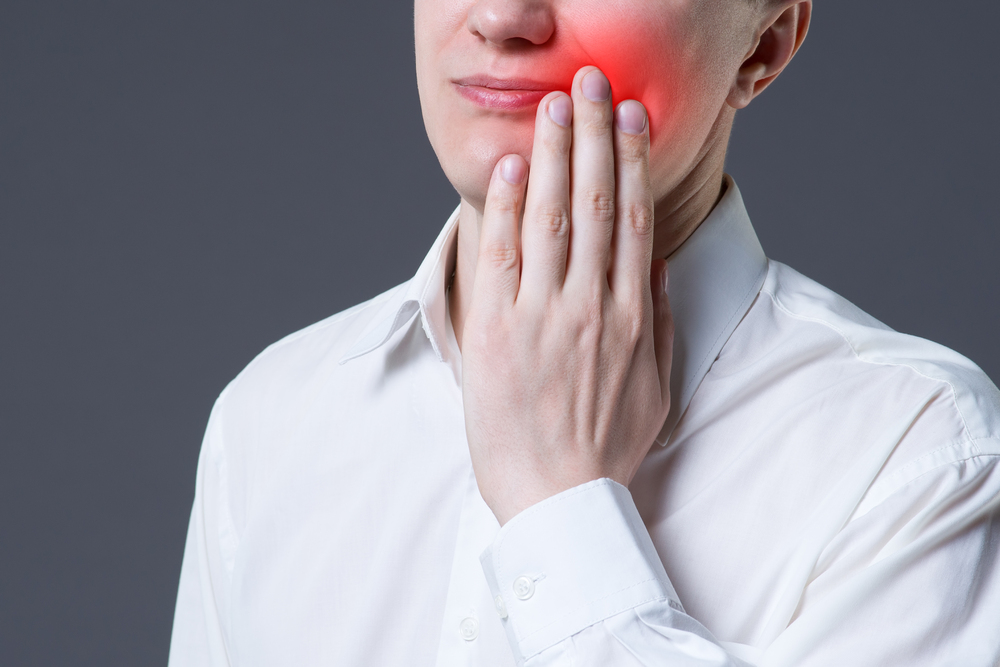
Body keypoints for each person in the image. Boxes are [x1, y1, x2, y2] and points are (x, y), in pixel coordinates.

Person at [168, 0, 1000, 664]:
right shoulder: (268, 423)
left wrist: (558, 504)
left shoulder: (924, 460)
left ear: (764, 44)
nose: (501, 17)